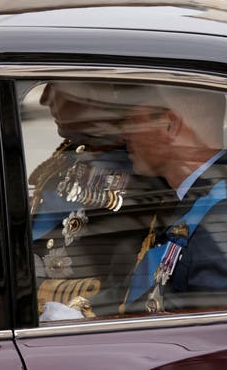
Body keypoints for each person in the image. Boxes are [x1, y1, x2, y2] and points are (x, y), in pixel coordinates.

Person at [119, 86, 227, 313]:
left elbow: (217, 333)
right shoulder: (186, 193)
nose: (124, 133)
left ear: (170, 125)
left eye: (132, 121)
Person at [29, 81, 166, 320]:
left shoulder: (133, 178)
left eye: (55, 86)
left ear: (93, 96)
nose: (44, 99)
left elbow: (115, 287)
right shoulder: (74, 154)